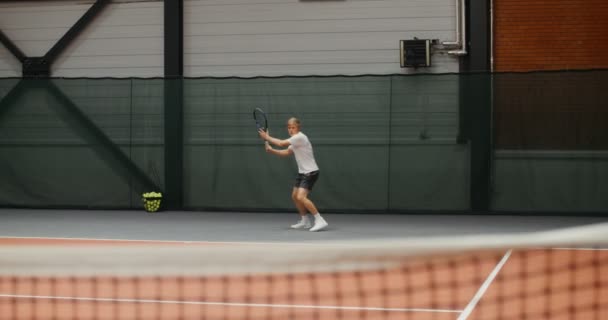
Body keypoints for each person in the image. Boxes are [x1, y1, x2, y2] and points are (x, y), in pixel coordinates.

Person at [258, 117, 328, 232]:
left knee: (301, 197)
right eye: (289, 127)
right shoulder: (294, 140)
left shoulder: (300, 137)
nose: (290, 129)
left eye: (293, 127)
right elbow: (286, 152)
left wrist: (267, 137)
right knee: (295, 197)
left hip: (311, 172)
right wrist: (272, 151)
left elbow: (281, 143)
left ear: (298, 127)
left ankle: (320, 220)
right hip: (302, 172)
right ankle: (305, 221)